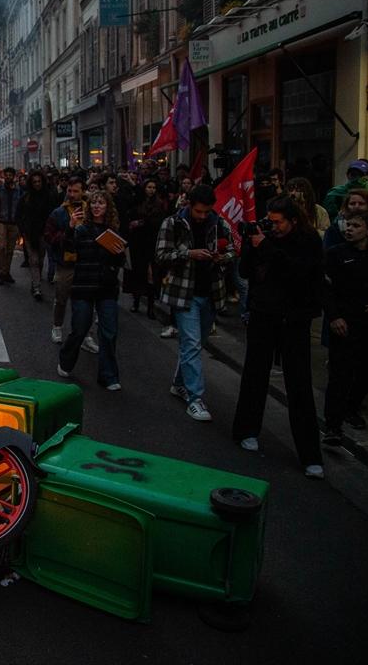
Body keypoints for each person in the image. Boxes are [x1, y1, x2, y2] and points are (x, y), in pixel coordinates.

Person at [232, 196, 327, 478]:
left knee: (298, 384)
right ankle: (246, 430)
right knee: (254, 375)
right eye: (270, 221)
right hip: (264, 313)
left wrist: (268, 247)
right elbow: (246, 271)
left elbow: (300, 273)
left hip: (294, 318)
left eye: (278, 222)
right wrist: (250, 245)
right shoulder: (264, 236)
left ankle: (310, 454)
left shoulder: (308, 242)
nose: (272, 227)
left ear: (293, 221)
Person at [154, 184, 235, 423]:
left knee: (196, 344)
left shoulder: (218, 223)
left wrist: (222, 257)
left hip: (210, 292)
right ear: (190, 205)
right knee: (190, 343)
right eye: (198, 211)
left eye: (206, 212)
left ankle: (180, 383)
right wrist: (188, 254)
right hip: (183, 293)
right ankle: (195, 398)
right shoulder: (173, 223)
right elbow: (160, 255)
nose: (202, 216)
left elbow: (232, 249)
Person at [321, 210, 368, 444]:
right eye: (348, 225)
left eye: (356, 226)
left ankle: (352, 407)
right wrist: (334, 317)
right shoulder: (336, 254)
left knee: (367, 372)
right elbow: (326, 290)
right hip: (345, 324)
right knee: (340, 375)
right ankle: (333, 425)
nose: (349, 229)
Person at [56, 190, 125, 389]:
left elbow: (119, 261)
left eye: (101, 203)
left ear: (107, 207)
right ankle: (66, 361)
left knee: (109, 332)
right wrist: (70, 228)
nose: (96, 206)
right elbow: (68, 249)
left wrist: (119, 253)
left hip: (106, 286)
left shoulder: (113, 231)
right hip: (83, 284)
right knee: (80, 328)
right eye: (93, 203)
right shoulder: (82, 229)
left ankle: (109, 376)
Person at [43, 179, 98, 354]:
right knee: (61, 297)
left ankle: (86, 335)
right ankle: (57, 326)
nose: (72, 194)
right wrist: (69, 228)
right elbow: (49, 236)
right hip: (66, 262)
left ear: (83, 192)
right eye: (70, 191)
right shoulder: (59, 213)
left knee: (87, 301)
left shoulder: (91, 211)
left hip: (87, 262)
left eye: (76, 191)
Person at [124, 178, 167, 317]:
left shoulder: (159, 204)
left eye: (153, 187)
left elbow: (158, 222)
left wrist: (142, 223)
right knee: (137, 273)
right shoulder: (138, 202)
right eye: (149, 187)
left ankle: (150, 306)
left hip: (151, 243)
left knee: (151, 276)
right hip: (138, 243)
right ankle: (136, 302)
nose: (151, 190)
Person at [15, 171, 56, 301]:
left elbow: (52, 214)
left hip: (43, 233)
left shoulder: (48, 197)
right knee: (33, 260)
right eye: (34, 182)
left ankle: (36, 282)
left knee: (41, 259)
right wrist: (22, 230)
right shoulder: (26, 198)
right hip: (29, 233)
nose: (37, 184)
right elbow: (18, 214)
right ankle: (37, 286)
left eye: (39, 181)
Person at [0, 168, 22, 285]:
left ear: (13, 177)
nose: (8, 177)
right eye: (6, 175)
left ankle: (6, 272)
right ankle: (2, 273)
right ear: (3, 176)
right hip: (1, 222)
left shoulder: (19, 191)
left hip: (14, 223)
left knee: (10, 249)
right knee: (2, 247)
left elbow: (21, 209)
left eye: (10, 175)